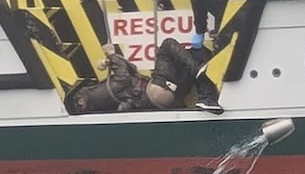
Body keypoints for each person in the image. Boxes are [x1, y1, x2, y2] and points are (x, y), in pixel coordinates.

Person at [67, 38, 223, 114]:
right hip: (157, 89)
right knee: (167, 44)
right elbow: (124, 77)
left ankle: (206, 97)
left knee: (197, 53)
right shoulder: (105, 90)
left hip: (169, 98)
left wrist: (110, 62)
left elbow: (131, 69)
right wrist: (112, 54)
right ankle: (200, 74)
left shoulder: (106, 103)